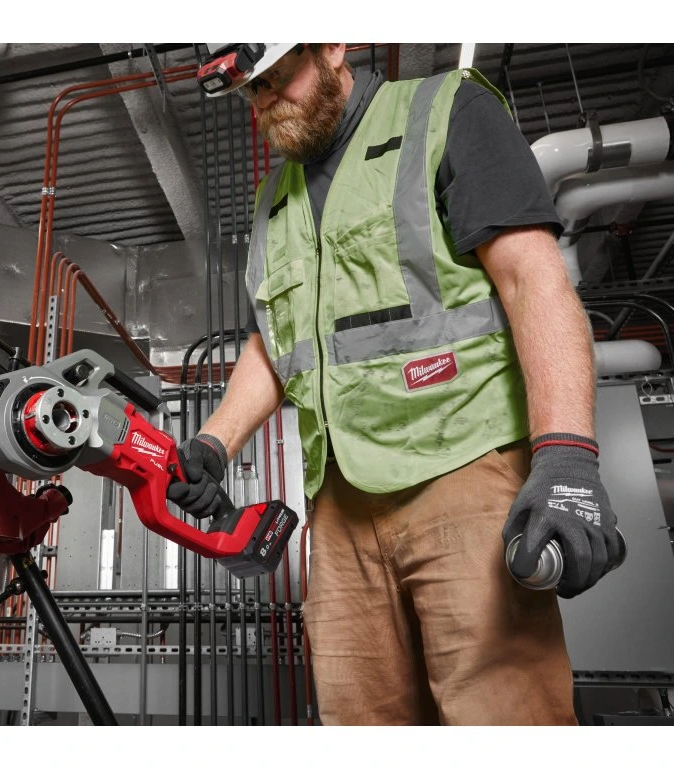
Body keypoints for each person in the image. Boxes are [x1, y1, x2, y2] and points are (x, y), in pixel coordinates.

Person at [166, 43, 624, 725]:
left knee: (503, 718)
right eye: (250, 90)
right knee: (359, 723)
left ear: (332, 44)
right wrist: (212, 444)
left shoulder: (443, 112)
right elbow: (276, 343)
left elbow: (532, 279)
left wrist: (566, 457)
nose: (264, 100)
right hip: (339, 509)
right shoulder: (272, 202)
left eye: (278, 77)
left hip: (461, 468)